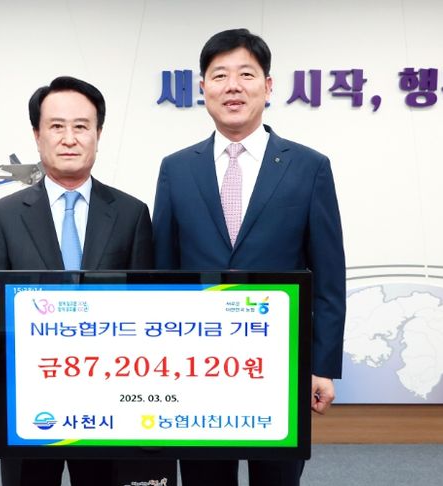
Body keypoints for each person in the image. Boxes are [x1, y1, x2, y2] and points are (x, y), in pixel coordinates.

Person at [152, 29, 346, 486]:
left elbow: (328, 276)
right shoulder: (176, 168)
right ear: (203, 88)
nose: (233, 86)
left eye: (246, 74)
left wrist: (322, 365)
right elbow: (161, 271)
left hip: (279, 365)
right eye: (220, 76)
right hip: (196, 367)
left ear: (268, 86)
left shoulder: (309, 167)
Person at [0, 76, 154, 486]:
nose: (69, 138)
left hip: (110, 400)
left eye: (81, 126)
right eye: (56, 126)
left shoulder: (131, 214)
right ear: (37, 135)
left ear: (98, 134)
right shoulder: (4, 216)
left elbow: (146, 312)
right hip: (27, 400)